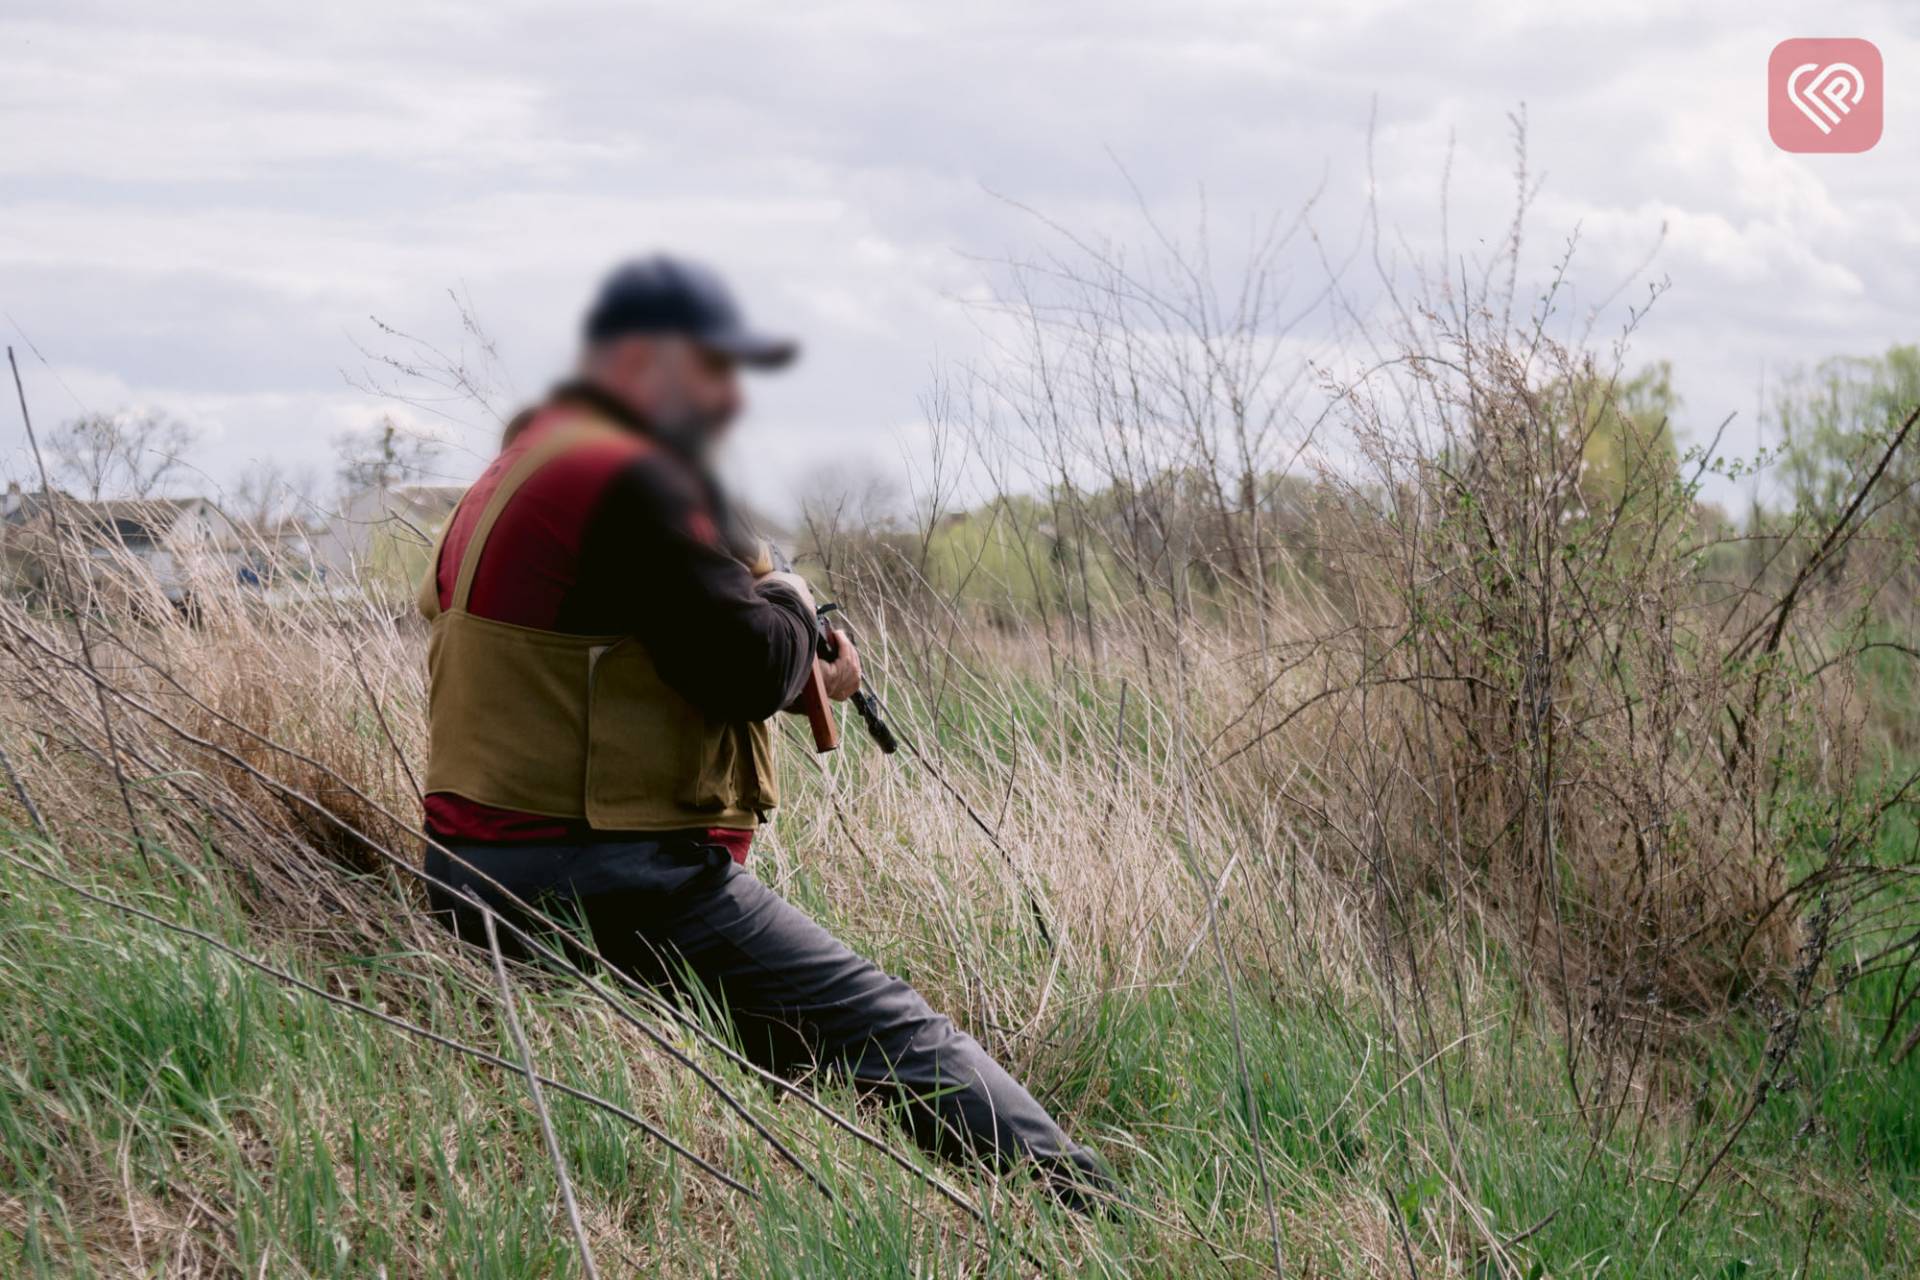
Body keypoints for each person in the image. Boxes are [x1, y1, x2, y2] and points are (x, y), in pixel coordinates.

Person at [418, 255, 1112, 1208]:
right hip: (606, 875)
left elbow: (650, 632)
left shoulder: (522, 465)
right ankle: (1098, 1213)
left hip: (473, 865)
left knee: (768, 1052)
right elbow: (743, 665)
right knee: (901, 1036)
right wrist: (803, 629)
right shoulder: (632, 478)